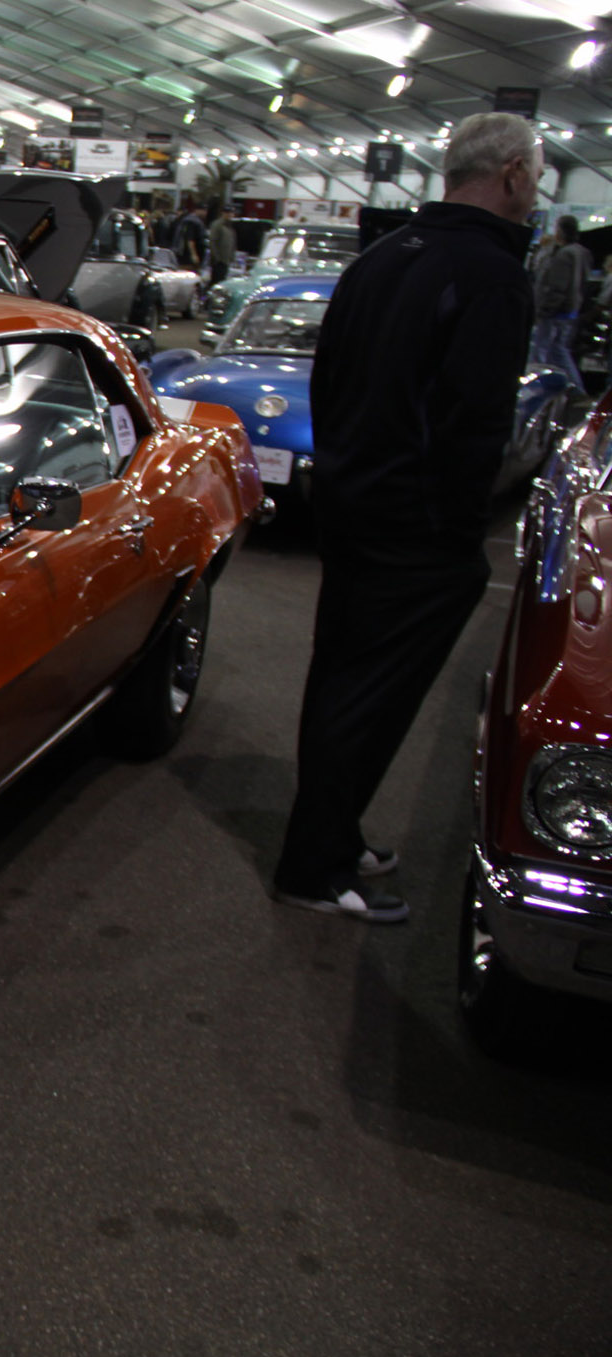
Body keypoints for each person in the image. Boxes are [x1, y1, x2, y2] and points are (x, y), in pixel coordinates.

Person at [270, 111, 540, 923]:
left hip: (355, 507)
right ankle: (313, 866)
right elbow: (473, 420)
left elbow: (330, 380)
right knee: (370, 695)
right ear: (513, 178)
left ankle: (333, 835)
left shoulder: (383, 255)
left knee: (342, 677)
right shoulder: (491, 273)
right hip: (417, 528)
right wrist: (459, 532)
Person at [529, 213, 590, 390]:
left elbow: (556, 286)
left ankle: (541, 389)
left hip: (554, 312)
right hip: (570, 311)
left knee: (541, 353)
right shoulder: (582, 253)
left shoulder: (564, 255)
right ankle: (574, 388)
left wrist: (543, 310)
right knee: (558, 351)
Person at [207, 203, 236, 285]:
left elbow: (232, 242)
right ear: (223, 213)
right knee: (216, 281)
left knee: (222, 280)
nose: (229, 214)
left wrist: (232, 256)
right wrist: (217, 258)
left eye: (231, 212)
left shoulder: (229, 226)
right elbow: (213, 241)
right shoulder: (217, 225)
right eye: (227, 212)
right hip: (219, 260)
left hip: (226, 260)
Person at [172, 203, 207, 269]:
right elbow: (190, 240)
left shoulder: (197, 221)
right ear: (197, 210)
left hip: (193, 254)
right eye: (203, 210)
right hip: (187, 255)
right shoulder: (192, 222)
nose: (205, 213)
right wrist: (193, 254)